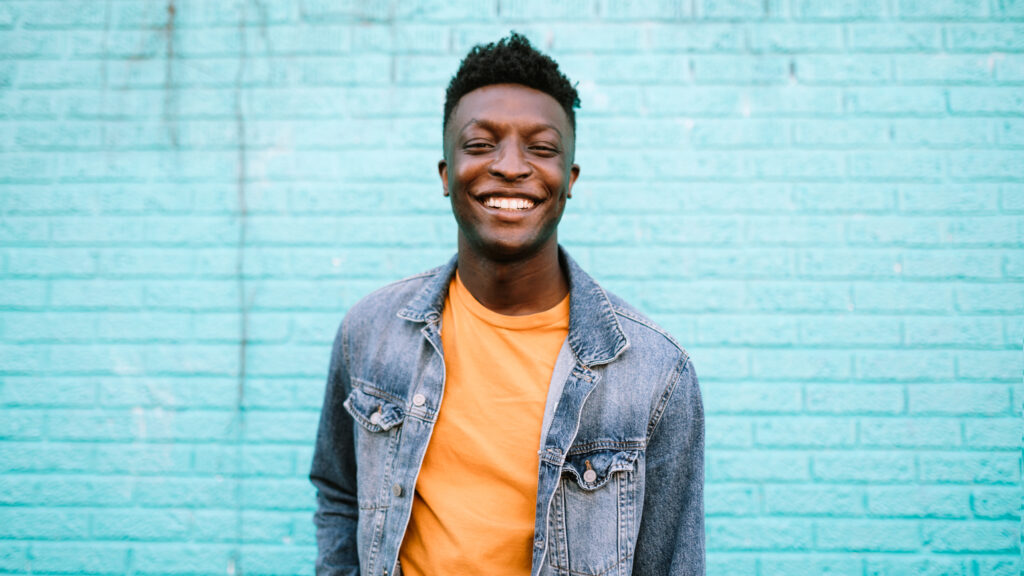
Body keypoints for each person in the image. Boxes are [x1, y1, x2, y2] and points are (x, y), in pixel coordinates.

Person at [310, 33, 704, 576]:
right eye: (480, 145)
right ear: (446, 174)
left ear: (569, 180)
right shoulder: (371, 332)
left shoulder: (655, 372)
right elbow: (339, 493)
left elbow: (670, 562)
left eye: (541, 148)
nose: (511, 166)